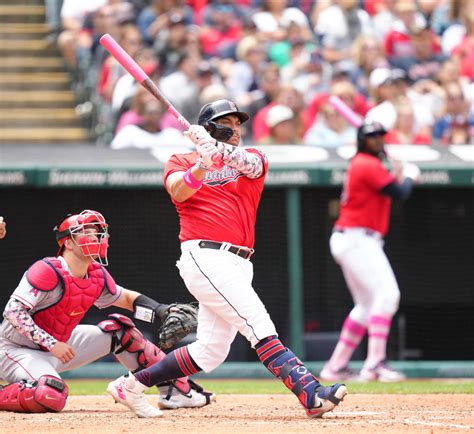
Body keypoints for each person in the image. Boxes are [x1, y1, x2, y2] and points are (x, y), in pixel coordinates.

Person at [107, 99, 348, 418]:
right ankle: (311, 392)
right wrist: (202, 164)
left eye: (238, 124)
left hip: (239, 261)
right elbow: (178, 191)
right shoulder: (181, 159)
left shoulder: (253, 157)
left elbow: (251, 165)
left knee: (210, 352)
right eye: (227, 123)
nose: (235, 129)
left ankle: (131, 385)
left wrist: (215, 149)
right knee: (257, 323)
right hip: (204, 256)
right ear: (208, 127)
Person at [0, 210, 214, 415]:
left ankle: (176, 392)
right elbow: (13, 312)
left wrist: (160, 310)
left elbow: (127, 299)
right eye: (86, 233)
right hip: (15, 349)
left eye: (97, 233)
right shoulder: (47, 269)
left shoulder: (95, 275)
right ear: (68, 242)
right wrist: (51, 343)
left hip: (59, 345)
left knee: (121, 332)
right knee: (50, 394)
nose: (95, 238)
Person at [319, 120, 421, 383]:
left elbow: (385, 190)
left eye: (380, 136)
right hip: (357, 238)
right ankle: (375, 364)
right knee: (388, 296)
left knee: (366, 306)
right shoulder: (366, 163)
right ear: (363, 140)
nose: (377, 140)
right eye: (372, 136)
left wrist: (397, 173)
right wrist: (409, 175)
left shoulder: (367, 165)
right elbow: (399, 193)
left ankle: (336, 366)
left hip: (355, 238)